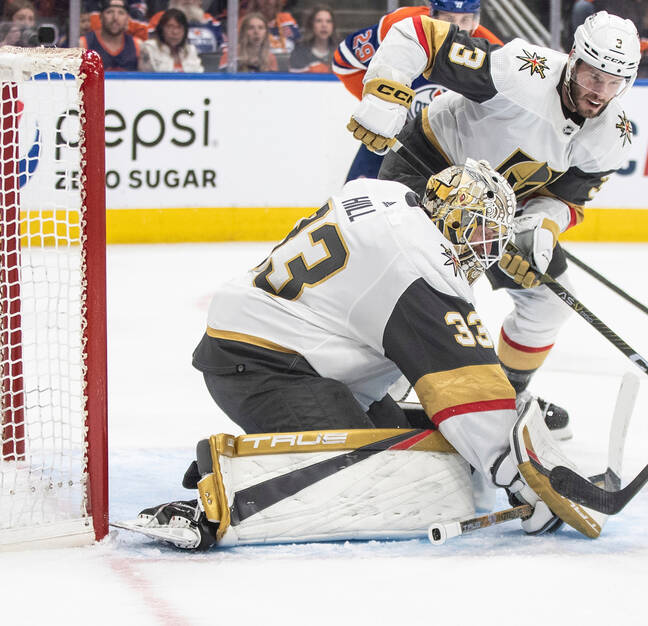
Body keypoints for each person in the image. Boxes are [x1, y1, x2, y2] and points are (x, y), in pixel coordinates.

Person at [125, 160, 610, 549]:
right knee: (385, 476)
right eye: (485, 233)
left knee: (420, 452)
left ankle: (266, 454)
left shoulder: (389, 196)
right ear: (457, 218)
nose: (487, 250)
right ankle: (225, 490)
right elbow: (469, 389)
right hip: (264, 366)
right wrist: (519, 476)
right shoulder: (417, 271)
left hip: (280, 346)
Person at [345, 10, 642, 440]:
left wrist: (536, 229)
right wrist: (383, 96)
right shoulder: (522, 70)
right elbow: (417, 34)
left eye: (614, 82)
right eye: (593, 76)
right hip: (428, 167)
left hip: (492, 213)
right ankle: (372, 394)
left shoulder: (614, 135)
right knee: (423, 291)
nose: (600, 93)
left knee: (549, 303)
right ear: (574, 58)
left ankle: (503, 399)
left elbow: (565, 200)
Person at [333, 0, 503, 180]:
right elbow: (344, 61)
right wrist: (384, 104)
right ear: (432, 13)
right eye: (448, 18)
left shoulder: (492, 52)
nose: (457, 29)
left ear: (476, 19)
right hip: (393, 133)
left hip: (447, 150)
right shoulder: (403, 27)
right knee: (356, 200)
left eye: (465, 20)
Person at [81, 0, 141, 71]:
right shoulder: (83, 44)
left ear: (127, 19)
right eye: (109, 12)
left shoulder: (138, 46)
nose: (115, 18)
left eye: (121, 13)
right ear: (101, 17)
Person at [138, 7, 203, 72]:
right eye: (170, 27)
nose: (175, 32)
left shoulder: (191, 50)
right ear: (161, 29)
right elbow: (147, 78)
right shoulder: (149, 48)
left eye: (179, 27)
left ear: (185, 31)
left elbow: (200, 77)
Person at [290, 5, 336, 73]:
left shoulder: (341, 52)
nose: (324, 25)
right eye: (319, 21)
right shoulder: (299, 52)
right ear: (311, 24)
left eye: (328, 21)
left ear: (333, 26)